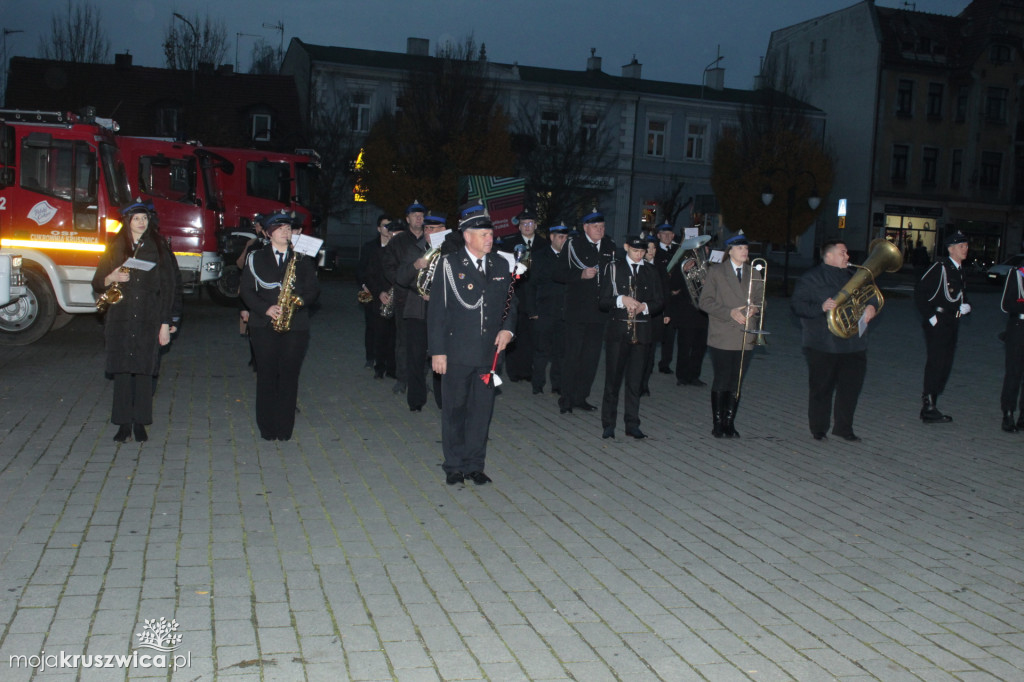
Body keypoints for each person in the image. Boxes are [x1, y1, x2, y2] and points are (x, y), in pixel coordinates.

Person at [428, 202, 517, 485]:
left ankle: (475, 464)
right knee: (455, 410)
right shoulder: (450, 264)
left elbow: (510, 303)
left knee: (481, 412)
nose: (489, 238)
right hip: (456, 352)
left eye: (490, 234)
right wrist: (438, 351)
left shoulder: (502, 264)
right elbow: (437, 312)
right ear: (467, 236)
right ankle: (454, 465)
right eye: (483, 234)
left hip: (488, 355)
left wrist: (508, 330)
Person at [92, 200, 182, 443]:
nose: (142, 222)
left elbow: (170, 286)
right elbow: (97, 281)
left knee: (144, 371)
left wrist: (167, 322)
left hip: (149, 317)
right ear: (127, 222)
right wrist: (111, 276)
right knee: (122, 371)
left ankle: (141, 422)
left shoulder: (159, 246)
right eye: (136, 218)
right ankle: (123, 424)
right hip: (120, 318)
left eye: (144, 218)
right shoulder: (115, 245)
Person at [239, 211, 320, 441]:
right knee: (266, 375)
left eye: (288, 228)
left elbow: (313, 290)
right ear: (268, 232)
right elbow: (246, 289)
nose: (286, 231)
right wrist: (266, 308)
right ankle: (267, 427)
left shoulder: (302, 257)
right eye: (280, 227)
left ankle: (285, 428)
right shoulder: (255, 256)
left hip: (295, 326)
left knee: (288, 376)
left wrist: (298, 303)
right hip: (263, 324)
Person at [791, 239, 878, 442]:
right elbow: (797, 305)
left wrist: (871, 306)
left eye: (846, 253)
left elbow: (872, 294)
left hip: (854, 344)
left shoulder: (854, 275)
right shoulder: (811, 278)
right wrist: (820, 308)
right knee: (822, 389)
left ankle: (844, 428)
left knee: (850, 389)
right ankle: (819, 428)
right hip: (823, 344)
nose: (847, 256)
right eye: (843, 253)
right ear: (828, 256)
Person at [698, 233, 764, 438]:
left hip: (745, 334)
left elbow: (762, 300)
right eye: (740, 248)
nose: (745, 252)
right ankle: (718, 423)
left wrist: (755, 308)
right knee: (722, 379)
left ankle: (730, 422)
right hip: (723, 333)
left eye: (746, 248)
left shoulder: (754, 272)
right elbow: (705, 302)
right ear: (730, 251)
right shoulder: (717, 271)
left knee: (736, 381)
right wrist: (729, 312)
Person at [599, 236, 664, 439]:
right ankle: (608, 424)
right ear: (626, 248)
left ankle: (632, 424)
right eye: (635, 251)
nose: (639, 255)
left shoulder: (650, 271)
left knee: (635, 382)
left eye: (642, 252)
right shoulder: (614, 268)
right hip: (618, 332)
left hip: (642, 331)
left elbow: (659, 301)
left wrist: (645, 307)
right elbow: (602, 301)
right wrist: (621, 299)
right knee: (613, 381)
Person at [555, 208, 617, 414]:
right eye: (596, 226)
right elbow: (559, 273)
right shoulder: (573, 245)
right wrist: (580, 274)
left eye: (602, 226)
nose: (600, 230)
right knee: (572, 356)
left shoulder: (610, 246)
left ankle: (581, 397)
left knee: (591, 359)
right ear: (585, 227)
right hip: (577, 311)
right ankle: (566, 399)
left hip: (599, 312)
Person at [396, 212, 451, 412]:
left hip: (443, 312)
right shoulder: (415, 249)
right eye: (426, 229)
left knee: (442, 356)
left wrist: (437, 295)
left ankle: (443, 400)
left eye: (433, 229)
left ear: (443, 231)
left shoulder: (452, 251)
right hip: (417, 309)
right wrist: (415, 266)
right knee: (415, 357)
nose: (428, 232)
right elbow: (400, 278)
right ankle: (416, 400)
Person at [915, 230, 971, 423]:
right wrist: (932, 318)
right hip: (938, 321)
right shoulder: (940, 267)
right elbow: (920, 291)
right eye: (961, 246)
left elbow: (959, 294)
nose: (966, 249)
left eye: (966, 246)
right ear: (951, 249)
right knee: (936, 362)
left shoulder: (959, 269)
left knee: (945, 364)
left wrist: (965, 306)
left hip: (952, 321)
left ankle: (932, 403)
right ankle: (928, 406)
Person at [499, 208, 548, 383]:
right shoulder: (509, 244)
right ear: (519, 227)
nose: (527, 227)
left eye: (530, 223)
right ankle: (514, 371)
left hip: (536, 296)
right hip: (516, 294)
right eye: (523, 224)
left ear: (535, 225)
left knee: (531, 336)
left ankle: (528, 371)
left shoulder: (544, 244)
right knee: (514, 332)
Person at [383, 200, 427, 394]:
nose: (419, 218)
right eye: (415, 215)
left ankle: (420, 379)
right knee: (403, 341)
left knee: (425, 341)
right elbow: (389, 269)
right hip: (406, 297)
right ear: (407, 218)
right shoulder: (397, 242)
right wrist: (406, 283)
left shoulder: (431, 239)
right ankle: (402, 378)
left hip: (427, 298)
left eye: (421, 215)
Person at [523, 222, 568, 395]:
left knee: (561, 352)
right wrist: (532, 311)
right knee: (542, 350)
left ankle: (557, 384)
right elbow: (530, 285)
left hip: (563, 311)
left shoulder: (570, 256)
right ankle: (538, 384)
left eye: (565, 237)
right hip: (544, 310)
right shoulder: (540, 256)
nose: (563, 240)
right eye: (560, 237)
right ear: (551, 237)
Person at [364, 220, 402, 379]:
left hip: (400, 300)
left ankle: (393, 368)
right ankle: (379, 368)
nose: (394, 237)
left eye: (398, 234)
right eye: (392, 234)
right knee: (380, 335)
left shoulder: (406, 255)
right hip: (382, 299)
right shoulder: (378, 253)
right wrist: (379, 292)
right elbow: (370, 276)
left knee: (396, 337)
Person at [357, 214, 392, 369]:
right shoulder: (369, 247)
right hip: (371, 291)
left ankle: (385, 359)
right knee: (371, 326)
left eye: (390, 226)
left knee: (388, 328)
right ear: (378, 229)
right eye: (385, 225)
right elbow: (361, 270)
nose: (388, 229)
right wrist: (364, 285)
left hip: (389, 292)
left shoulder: (396, 245)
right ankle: (370, 357)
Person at [999, 265, 1024, 432]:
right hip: (1019, 327)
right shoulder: (1017, 274)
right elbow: (1006, 304)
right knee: (1014, 372)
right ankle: (1008, 414)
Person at [653, 223, 679, 374]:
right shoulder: (654, 251)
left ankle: (665, 363)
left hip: (675, 298)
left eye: (670, 234)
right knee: (656, 331)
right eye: (664, 234)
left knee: (670, 334)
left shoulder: (678, 250)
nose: (667, 236)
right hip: (660, 296)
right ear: (659, 236)